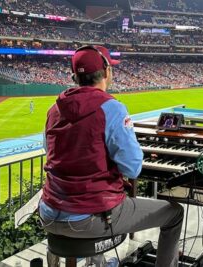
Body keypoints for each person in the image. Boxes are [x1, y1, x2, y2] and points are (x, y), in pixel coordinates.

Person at [39, 46, 184, 267]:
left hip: (48, 213)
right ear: (107, 72)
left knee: (98, 199)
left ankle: (98, 262)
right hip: (87, 218)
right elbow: (132, 168)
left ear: (74, 76)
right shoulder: (113, 109)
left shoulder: (53, 110)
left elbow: (49, 151)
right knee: (174, 213)